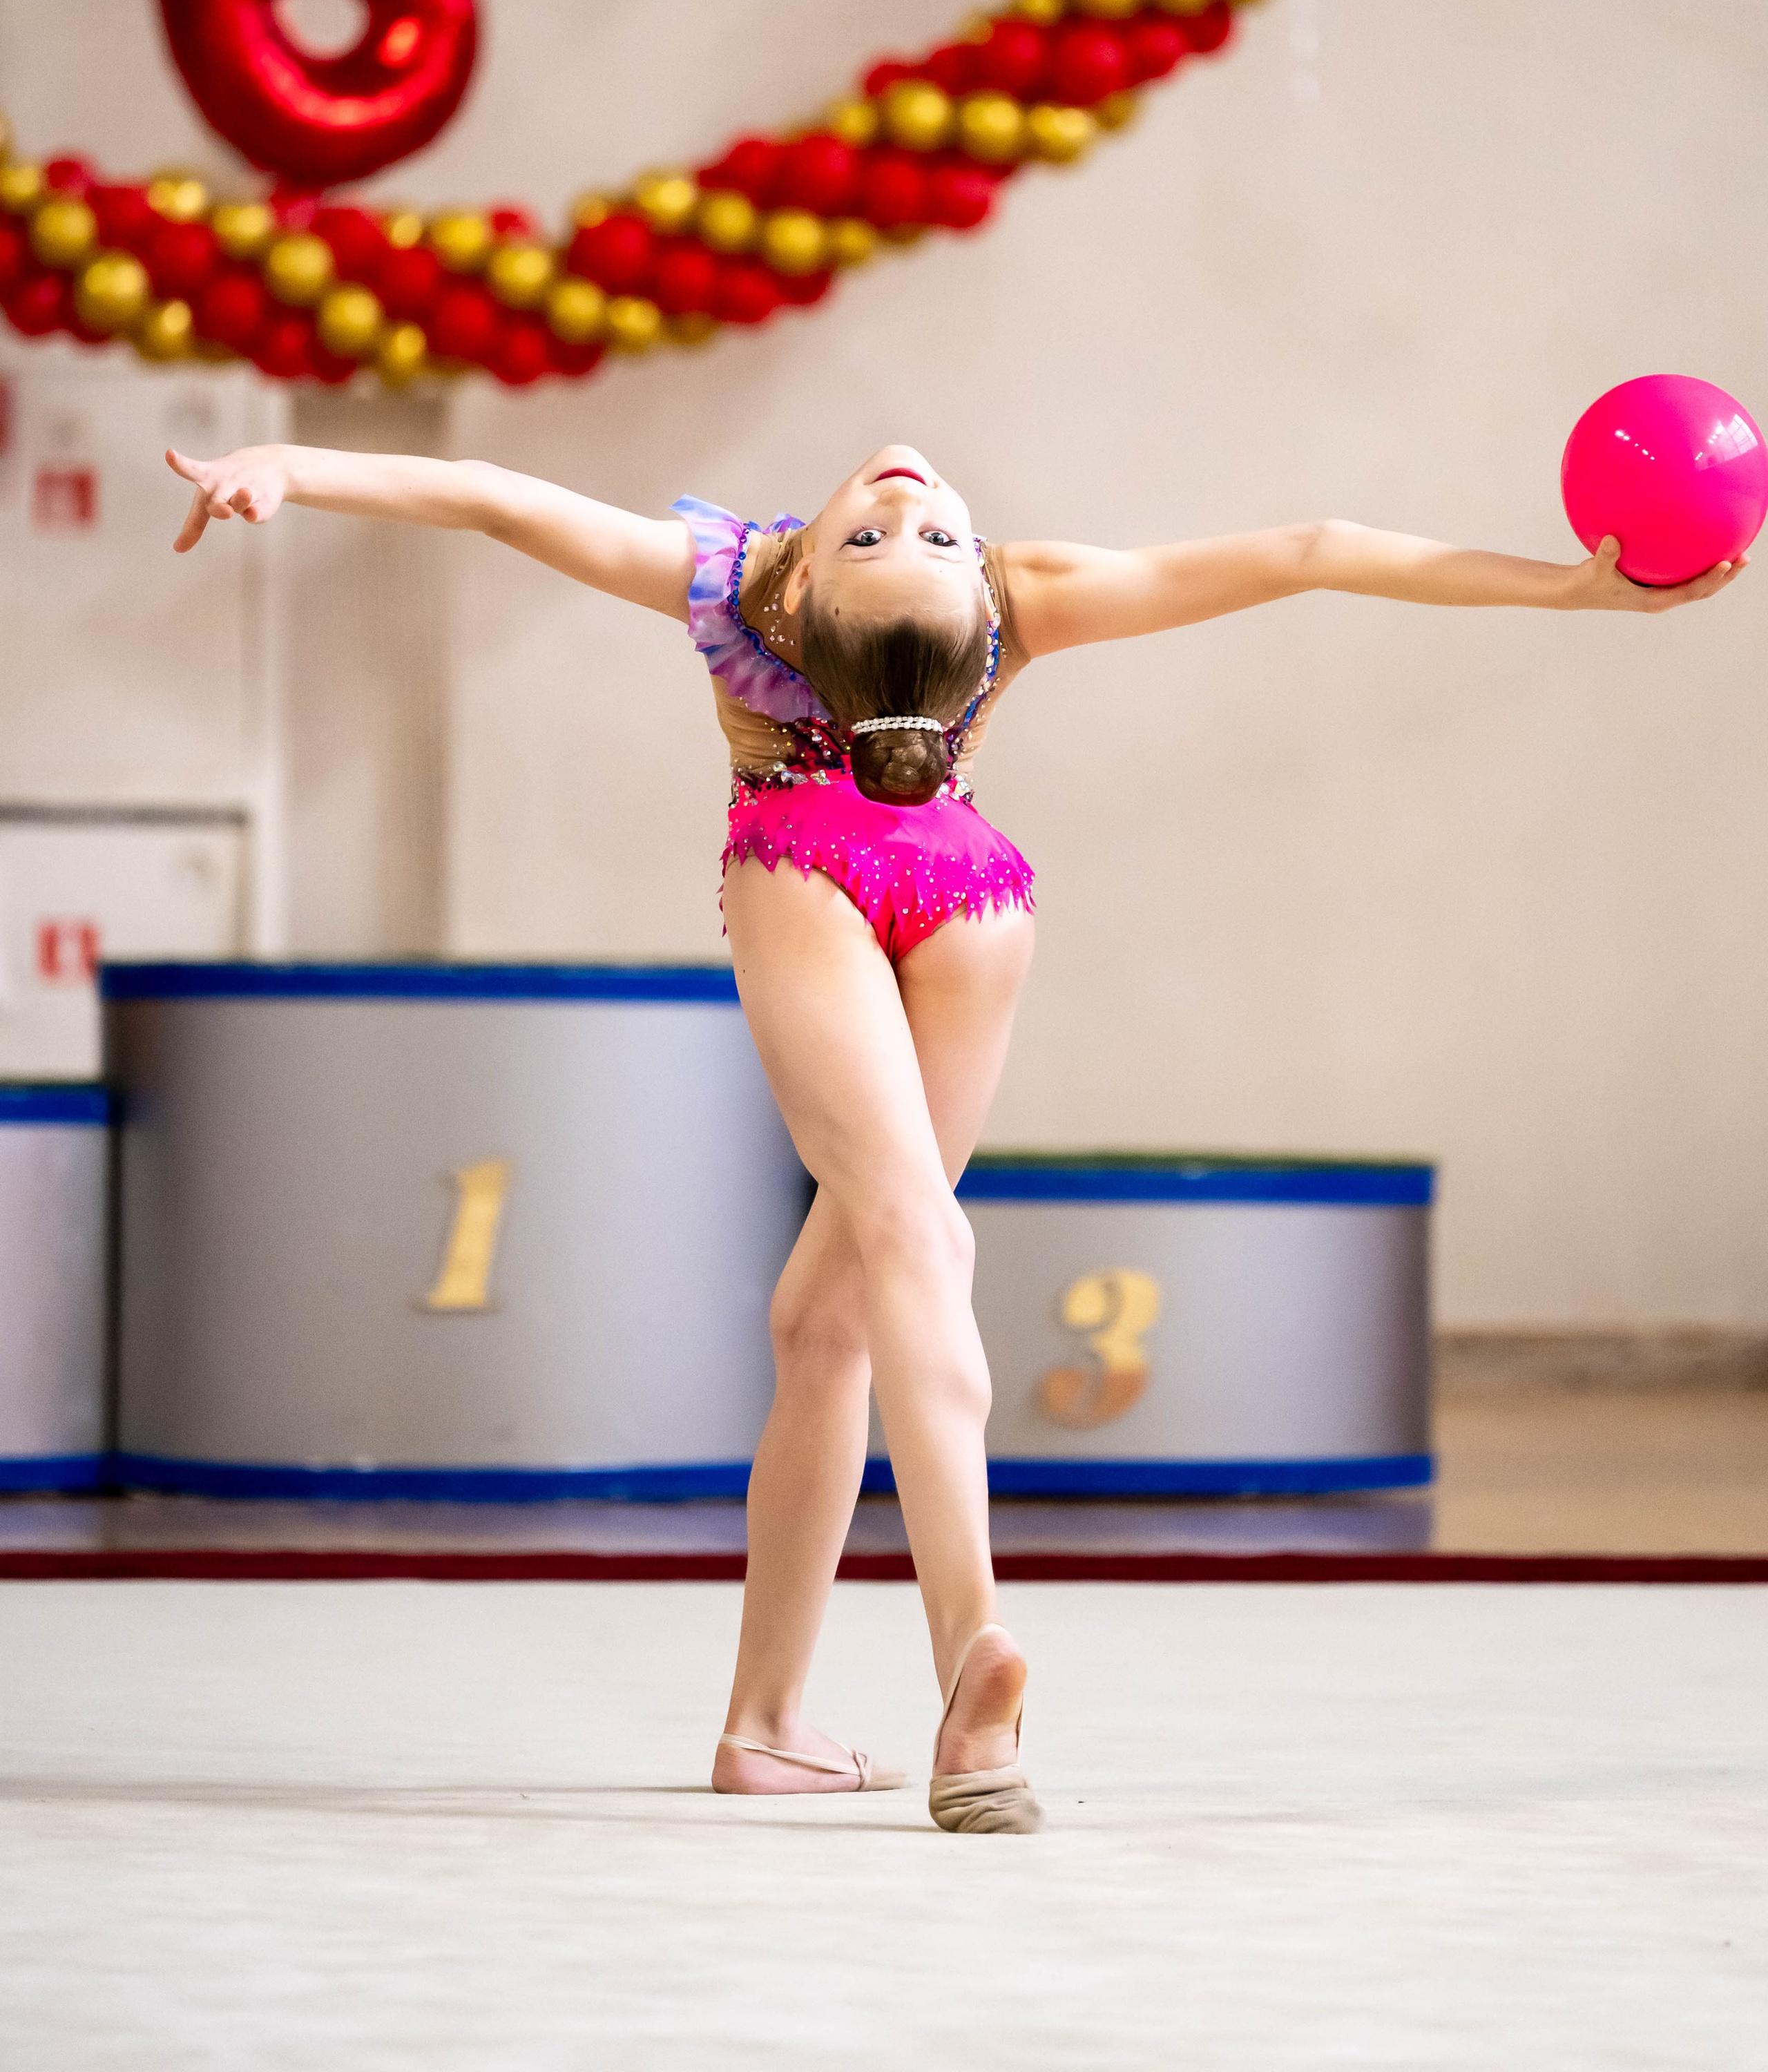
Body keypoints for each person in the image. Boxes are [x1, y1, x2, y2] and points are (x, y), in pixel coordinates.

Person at [164, 434, 1743, 1832]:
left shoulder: (725, 586)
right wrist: (1565, 595)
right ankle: (765, 1725)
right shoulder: (1019, 594)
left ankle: (964, 1660)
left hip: (808, 867)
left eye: (902, 536)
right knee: (828, 1311)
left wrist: (300, 466)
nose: (908, 510)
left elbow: (498, 502)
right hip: (973, 894)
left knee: (903, 1245)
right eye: (889, 535)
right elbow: (1312, 556)